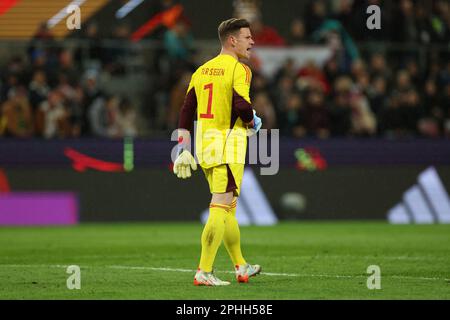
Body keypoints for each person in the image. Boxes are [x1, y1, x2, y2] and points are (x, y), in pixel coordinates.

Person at [172, 18, 262, 286]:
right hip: (228, 146)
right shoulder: (240, 69)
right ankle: (204, 270)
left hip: (206, 146)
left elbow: (186, 112)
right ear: (232, 40)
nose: (252, 41)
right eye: (247, 37)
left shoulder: (201, 71)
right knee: (220, 207)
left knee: (228, 209)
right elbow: (242, 105)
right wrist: (252, 122)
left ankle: (241, 265)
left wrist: (182, 147)